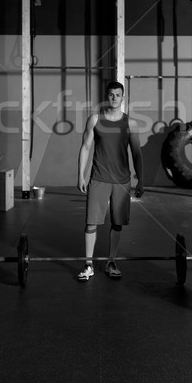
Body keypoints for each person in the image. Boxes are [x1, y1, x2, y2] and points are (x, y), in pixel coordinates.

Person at [77, 80, 143, 281]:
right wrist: (80, 174)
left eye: (118, 95)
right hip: (98, 177)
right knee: (91, 223)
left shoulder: (130, 123)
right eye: (111, 95)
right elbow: (86, 148)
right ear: (107, 97)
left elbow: (137, 153)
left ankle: (111, 261)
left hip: (122, 180)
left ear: (123, 98)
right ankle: (88, 264)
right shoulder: (95, 120)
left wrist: (141, 180)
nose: (114, 98)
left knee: (117, 223)